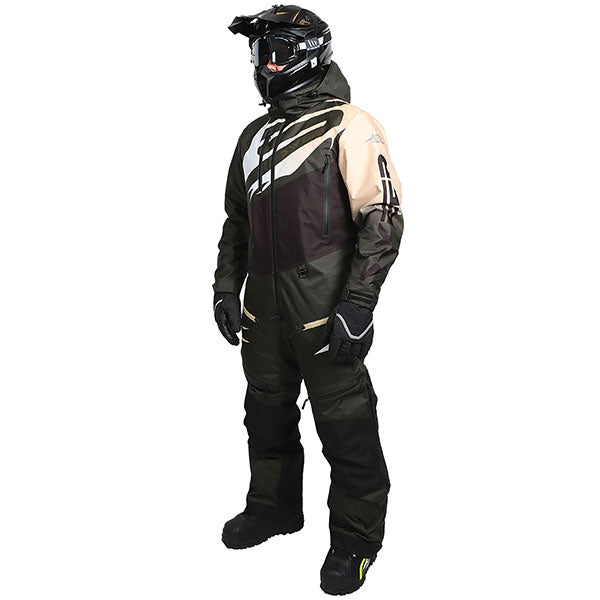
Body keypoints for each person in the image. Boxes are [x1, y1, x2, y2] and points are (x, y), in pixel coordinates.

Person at [213, 5, 403, 595]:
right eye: (259, 53)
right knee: (265, 416)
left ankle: (356, 542)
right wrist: (225, 288)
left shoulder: (350, 125)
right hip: (263, 313)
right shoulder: (253, 137)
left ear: (309, 54)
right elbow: (236, 223)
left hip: (325, 309)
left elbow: (383, 217)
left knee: (346, 426)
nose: (265, 65)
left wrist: (359, 304)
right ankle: (273, 508)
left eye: (277, 52)